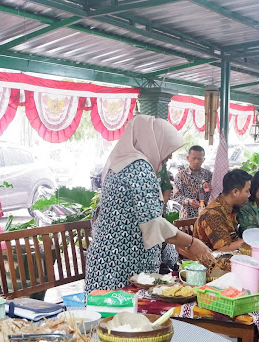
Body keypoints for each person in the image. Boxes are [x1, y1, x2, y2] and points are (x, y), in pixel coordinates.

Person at [84, 115, 214, 293]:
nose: (168, 155)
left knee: (110, 318)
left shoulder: (122, 163)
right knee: (121, 318)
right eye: (167, 148)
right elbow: (153, 223)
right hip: (120, 265)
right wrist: (192, 243)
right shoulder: (139, 167)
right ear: (153, 141)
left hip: (109, 261)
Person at [194, 169, 252, 252]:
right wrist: (252, 240)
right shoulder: (212, 214)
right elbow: (223, 249)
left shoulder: (231, 208)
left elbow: (233, 239)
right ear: (235, 192)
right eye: (247, 191)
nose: (249, 195)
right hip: (211, 261)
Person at [172, 145, 213, 219]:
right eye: (193, 158)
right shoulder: (180, 175)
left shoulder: (209, 174)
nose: (196, 161)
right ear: (188, 158)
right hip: (187, 216)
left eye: (199, 159)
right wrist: (188, 201)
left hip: (205, 216)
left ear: (204, 159)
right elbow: (176, 196)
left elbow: (215, 193)